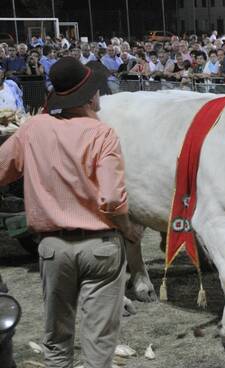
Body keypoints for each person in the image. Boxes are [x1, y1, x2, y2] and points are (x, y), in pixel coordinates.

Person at [0, 57, 142, 367]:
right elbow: (112, 200)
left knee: (56, 341)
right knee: (98, 344)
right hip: (101, 247)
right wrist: (129, 230)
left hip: (53, 248)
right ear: (90, 96)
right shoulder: (102, 134)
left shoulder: (33, 128)